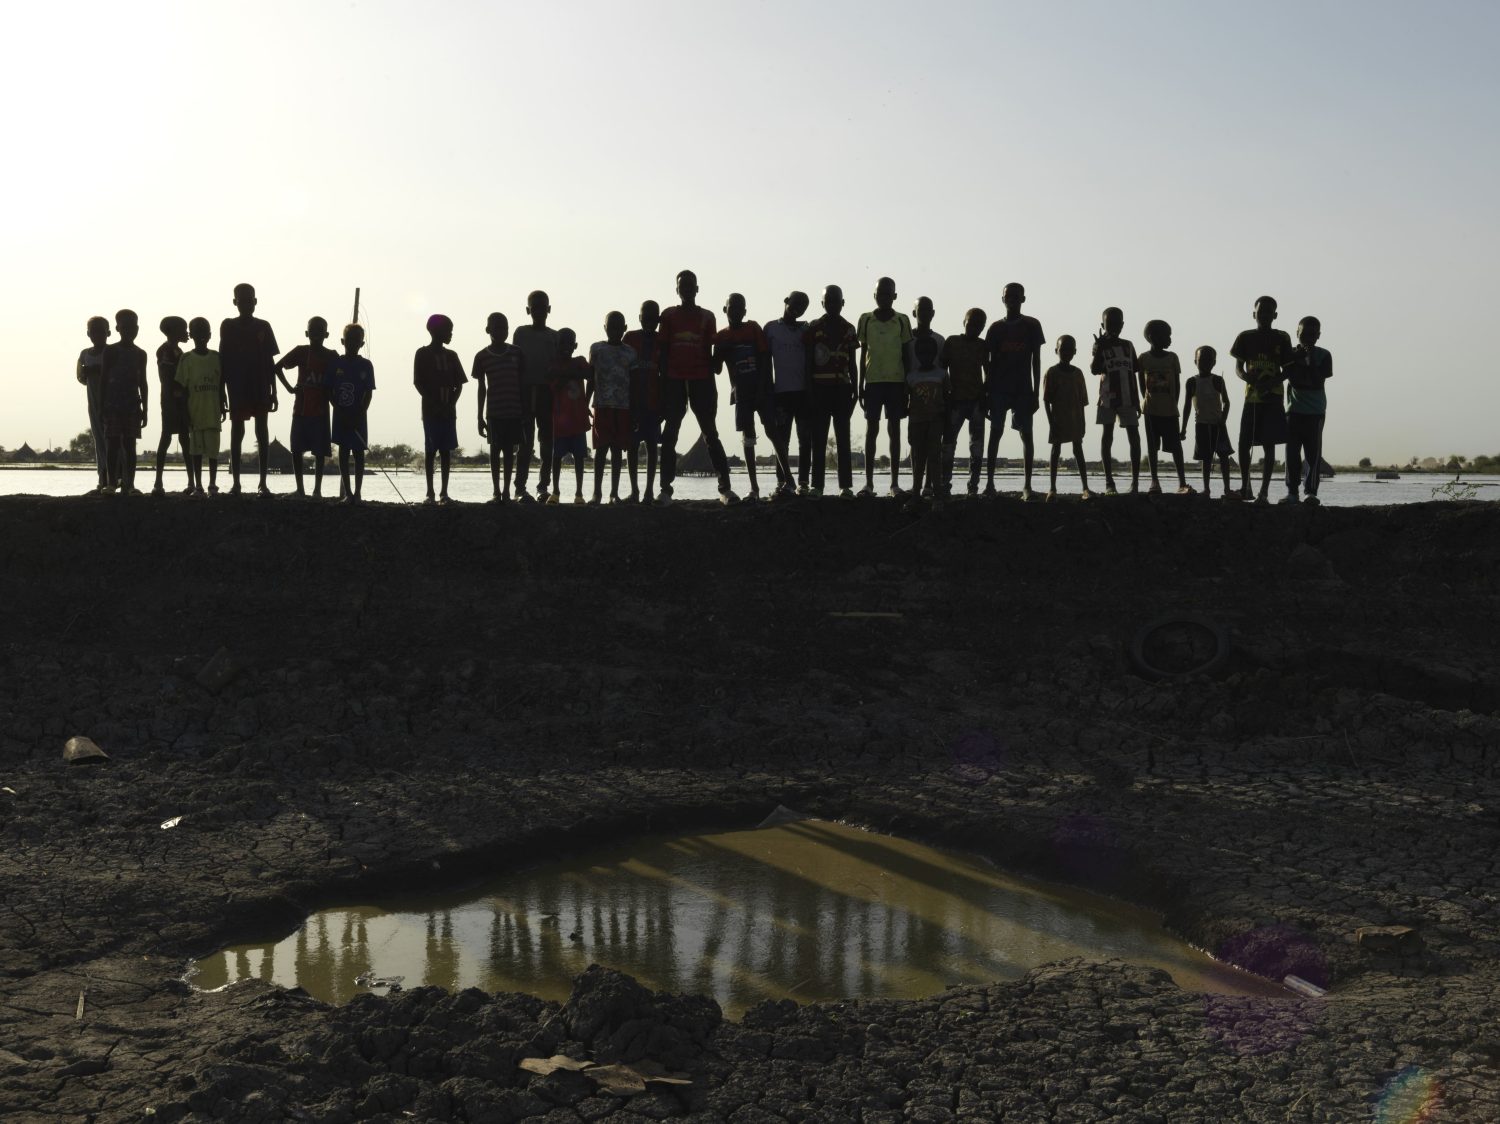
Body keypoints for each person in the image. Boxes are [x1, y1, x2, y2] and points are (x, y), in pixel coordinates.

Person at [658, 270, 735, 504]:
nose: (687, 290)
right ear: (677, 290)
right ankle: (665, 489)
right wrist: (663, 384)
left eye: (691, 286)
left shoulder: (708, 317)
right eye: (683, 286)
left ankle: (725, 488)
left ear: (697, 289)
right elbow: (662, 352)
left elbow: (715, 357)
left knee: (710, 433)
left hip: (702, 379)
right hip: (674, 379)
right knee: (670, 433)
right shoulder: (668, 316)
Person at [983, 282, 1046, 499]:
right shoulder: (995, 329)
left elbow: (1036, 361)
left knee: (1026, 435)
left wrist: (1036, 393)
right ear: (1003, 300)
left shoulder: (1032, 325)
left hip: (1023, 389)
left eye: (1016, 296)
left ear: (1023, 299)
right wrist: (987, 393)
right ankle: (989, 483)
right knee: (995, 433)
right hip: (999, 389)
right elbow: (988, 364)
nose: (1012, 300)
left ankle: (1027, 485)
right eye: (1008, 296)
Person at [1230, 295, 1293, 504]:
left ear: (1275, 315)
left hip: (1273, 397)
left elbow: (1289, 369)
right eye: (1261, 311)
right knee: (1244, 441)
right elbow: (1238, 368)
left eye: (1269, 312)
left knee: (1269, 442)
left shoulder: (1282, 337)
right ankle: (1245, 485)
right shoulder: (1245, 337)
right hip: (1252, 397)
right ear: (1254, 314)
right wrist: (1249, 379)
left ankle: (1264, 492)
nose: (1264, 315)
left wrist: (1272, 381)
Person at [219, 282, 280, 496]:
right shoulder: (227, 325)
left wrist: (274, 390)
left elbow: (271, 361)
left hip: (260, 385)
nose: (246, 304)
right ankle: (236, 483)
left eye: (249, 300)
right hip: (237, 386)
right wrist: (220, 392)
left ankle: (263, 483)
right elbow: (222, 360)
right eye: (241, 300)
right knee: (237, 432)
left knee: (262, 432)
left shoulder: (264, 326)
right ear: (235, 302)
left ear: (255, 301)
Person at [855, 277, 912, 496]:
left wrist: (907, 385)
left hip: (896, 382)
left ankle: (894, 484)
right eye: (880, 294)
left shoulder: (902, 320)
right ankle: (868, 484)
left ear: (894, 296)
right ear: (875, 296)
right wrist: (860, 385)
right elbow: (862, 355)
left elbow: (907, 354)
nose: (884, 298)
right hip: (873, 382)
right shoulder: (866, 320)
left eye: (888, 294)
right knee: (872, 430)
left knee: (894, 431)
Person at [714, 294, 772, 501]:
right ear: (725, 310)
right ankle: (754, 488)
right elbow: (716, 368)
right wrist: (717, 351)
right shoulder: (721, 337)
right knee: (748, 438)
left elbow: (765, 359)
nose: (736, 312)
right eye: (732, 308)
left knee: (772, 432)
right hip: (740, 393)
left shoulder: (753, 328)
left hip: (760, 391)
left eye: (740, 309)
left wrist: (763, 389)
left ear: (745, 312)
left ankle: (788, 481)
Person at [805, 284, 859, 497]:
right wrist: (808, 390)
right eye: (828, 301)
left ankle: (845, 487)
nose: (833, 305)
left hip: (843, 390)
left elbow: (853, 363)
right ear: (823, 304)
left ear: (843, 303)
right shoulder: (814, 327)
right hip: (819, 389)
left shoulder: (849, 328)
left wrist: (856, 390)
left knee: (843, 439)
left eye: (836, 301)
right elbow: (808, 362)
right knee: (818, 439)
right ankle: (817, 486)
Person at [274, 317, 337, 499]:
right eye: (313, 330)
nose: (316, 334)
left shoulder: (331, 356)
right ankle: (300, 489)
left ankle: (317, 490)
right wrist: (289, 388)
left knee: (319, 452)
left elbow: (341, 376)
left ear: (326, 334)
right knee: (297, 449)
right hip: (301, 409)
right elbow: (278, 367)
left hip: (321, 411)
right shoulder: (301, 352)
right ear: (307, 333)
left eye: (320, 330)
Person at [414, 314, 467, 505]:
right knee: (430, 451)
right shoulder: (422, 354)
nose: (451, 334)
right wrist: (435, 404)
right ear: (435, 331)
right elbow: (418, 383)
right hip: (430, 412)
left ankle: (444, 492)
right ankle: (430, 492)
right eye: (448, 330)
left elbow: (459, 385)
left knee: (446, 451)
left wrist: (450, 404)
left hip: (448, 412)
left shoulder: (452, 356)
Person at [764, 291, 812, 499]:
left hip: (803, 393)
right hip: (781, 393)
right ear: (786, 301)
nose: (798, 309)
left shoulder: (806, 329)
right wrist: (768, 392)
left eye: (802, 307)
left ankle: (802, 483)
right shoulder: (771, 329)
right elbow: (765, 364)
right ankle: (782, 482)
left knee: (805, 440)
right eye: (795, 304)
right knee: (781, 441)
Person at [473, 312, 526, 502]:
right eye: (497, 328)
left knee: (510, 452)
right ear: (488, 330)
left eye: (505, 328)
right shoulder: (482, 356)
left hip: (514, 411)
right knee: (495, 452)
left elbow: (522, 383)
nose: (502, 331)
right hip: (494, 413)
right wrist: (479, 416)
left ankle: (506, 491)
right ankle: (496, 491)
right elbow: (481, 388)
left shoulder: (517, 353)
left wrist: (524, 411)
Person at [1282, 316, 1333, 506]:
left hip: (1315, 412)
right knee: (1291, 454)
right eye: (1304, 334)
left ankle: (1311, 492)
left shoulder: (1324, 355)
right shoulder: (1290, 354)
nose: (1308, 338)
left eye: (1313, 334)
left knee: (1313, 454)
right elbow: (1294, 380)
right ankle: (1292, 492)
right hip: (1293, 411)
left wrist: (1307, 361)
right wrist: (1299, 360)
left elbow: (1317, 381)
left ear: (1318, 336)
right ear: (1297, 333)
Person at [1090, 306, 1141, 495]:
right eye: (1108, 324)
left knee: (1134, 437)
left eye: (1116, 323)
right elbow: (1095, 370)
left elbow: (1133, 372)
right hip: (1107, 397)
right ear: (1102, 325)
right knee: (1107, 436)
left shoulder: (1128, 345)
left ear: (1122, 325)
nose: (1113, 327)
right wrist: (1099, 350)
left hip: (1128, 397)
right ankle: (1109, 482)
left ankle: (1135, 483)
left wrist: (1137, 400)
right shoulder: (1099, 346)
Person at [514, 290, 560, 502]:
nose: (539, 312)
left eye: (543, 308)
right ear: (528, 310)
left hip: (546, 392)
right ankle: (520, 488)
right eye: (535, 308)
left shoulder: (554, 336)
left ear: (549, 309)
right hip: (524, 391)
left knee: (547, 442)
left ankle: (543, 487)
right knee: (525, 442)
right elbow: (515, 363)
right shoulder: (520, 333)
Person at [1138, 320, 1193, 495]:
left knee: (1176, 447)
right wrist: (1146, 401)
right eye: (1166, 335)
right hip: (1150, 410)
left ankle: (1182, 482)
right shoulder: (1144, 358)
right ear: (1153, 337)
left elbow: (1177, 383)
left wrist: (1173, 404)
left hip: (1169, 411)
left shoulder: (1172, 358)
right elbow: (1141, 384)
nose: (1169, 339)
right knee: (1152, 447)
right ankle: (1154, 481)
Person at [175, 317, 226, 497]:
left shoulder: (216, 358)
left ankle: (212, 485)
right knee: (196, 453)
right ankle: (198, 486)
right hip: (194, 413)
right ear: (192, 335)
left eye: (204, 333)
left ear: (210, 335)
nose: (201, 337)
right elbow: (180, 389)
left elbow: (221, 384)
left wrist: (222, 402)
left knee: (213, 453)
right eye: (197, 333)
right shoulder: (186, 359)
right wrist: (184, 413)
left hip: (212, 413)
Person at [325, 323, 375, 504]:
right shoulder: (335, 364)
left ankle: (358, 492)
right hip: (340, 416)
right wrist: (339, 411)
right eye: (349, 341)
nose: (353, 344)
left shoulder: (366, 365)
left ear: (361, 344)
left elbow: (369, 393)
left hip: (359, 416)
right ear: (342, 341)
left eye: (357, 341)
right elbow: (329, 391)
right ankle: (348, 493)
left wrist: (360, 414)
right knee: (344, 452)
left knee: (359, 453)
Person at [101, 309, 149, 495]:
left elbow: (143, 382)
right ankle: (111, 483)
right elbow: (104, 379)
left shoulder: (140, 354)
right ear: (118, 328)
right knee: (112, 444)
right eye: (126, 327)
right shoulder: (111, 351)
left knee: (130, 445)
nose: (130, 330)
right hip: (112, 405)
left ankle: (129, 484)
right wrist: (101, 407)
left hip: (132, 406)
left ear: (137, 329)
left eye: (133, 327)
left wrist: (145, 408)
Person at [589, 311, 636, 504]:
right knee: (600, 451)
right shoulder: (597, 349)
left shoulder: (630, 352)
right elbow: (590, 379)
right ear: (605, 328)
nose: (615, 331)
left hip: (623, 407)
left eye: (619, 327)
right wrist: (585, 403)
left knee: (617, 451)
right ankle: (596, 493)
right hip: (602, 406)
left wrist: (634, 410)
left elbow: (633, 382)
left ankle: (613, 493)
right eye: (611, 327)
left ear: (625, 328)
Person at [942, 308, 988, 496]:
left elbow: (988, 372)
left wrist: (985, 396)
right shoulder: (952, 342)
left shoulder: (982, 346)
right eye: (971, 322)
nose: (974, 327)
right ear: (964, 322)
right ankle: (945, 484)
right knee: (948, 445)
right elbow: (942, 370)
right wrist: (947, 395)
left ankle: (973, 486)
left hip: (976, 402)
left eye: (979, 325)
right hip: (955, 402)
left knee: (976, 448)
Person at [1042, 335, 1092, 501]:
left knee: (1078, 449)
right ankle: (1052, 488)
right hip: (1058, 418)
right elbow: (1046, 400)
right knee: (1056, 450)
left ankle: (1085, 487)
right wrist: (1051, 423)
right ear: (1056, 351)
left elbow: (1083, 401)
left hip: (1076, 418)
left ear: (1075, 352)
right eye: (1063, 349)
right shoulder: (1052, 372)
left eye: (1070, 350)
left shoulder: (1078, 373)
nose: (1066, 353)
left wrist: (1083, 422)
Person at [623, 301, 663, 504]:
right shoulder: (630, 338)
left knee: (652, 446)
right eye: (645, 317)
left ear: (658, 320)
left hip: (654, 402)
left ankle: (648, 491)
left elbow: (665, 373)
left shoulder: (661, 340)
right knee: (632, 446)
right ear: (639, 318)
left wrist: (663, 406)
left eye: (653, 318)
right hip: (632, 403)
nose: (649, 321)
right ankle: (635, 491)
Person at [1181, 345, 1233, 497]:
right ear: (1195, 361)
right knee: (1206, 458)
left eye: (1209, 360)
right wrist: (1183, 429)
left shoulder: (1218, 380)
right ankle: (1206, 488)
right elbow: (1186, 406)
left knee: (1224, 456)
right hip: (1202, 425)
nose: (1205, 363)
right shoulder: (1191, 382)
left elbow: (1227, 402)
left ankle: (1227, 489)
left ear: (1214, 362)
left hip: (1218, 424)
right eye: (1201, 360)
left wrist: (1223, 419)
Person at [904, 334, 948, 513]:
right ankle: (916, 495)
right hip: (916, 422)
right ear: (916, 354)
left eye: (930, 352)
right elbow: (905, 400)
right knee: (918, 459)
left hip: (935, 422)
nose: (925, 355)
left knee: (935, 459)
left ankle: (937, 496)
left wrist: (947, 423)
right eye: (921, 352)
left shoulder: (942, 374)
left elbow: (947, 399)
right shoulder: (911, 377)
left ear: (935, 353)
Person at [909, 297, 946, 497]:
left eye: (927, 310)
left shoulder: (939, 341)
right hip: (916, 407)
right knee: (917, 450)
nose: (923, 314)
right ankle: (916, 489)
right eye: (919, 310)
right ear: (914, 313)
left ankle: (929, 486)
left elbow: (943, 373)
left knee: (934, 450)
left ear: (933, 313)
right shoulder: (907, 340)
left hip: (935, 409)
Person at [549, 329, 591, 504]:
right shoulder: (553, 365)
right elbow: (554, 386)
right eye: (562, 344)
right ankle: (556, 491)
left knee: (579, 457)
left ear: (575, 346)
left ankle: (579, 493)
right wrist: (571, 374)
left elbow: (591, 375)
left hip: (578, 419)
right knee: (557, 457)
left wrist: (586, 402)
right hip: (559, 421)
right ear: (556, 346)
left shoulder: (580, 362)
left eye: (569, 343)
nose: (566, 347)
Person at [152, 316, 190, 495]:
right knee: (166, 439)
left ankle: (191, 482)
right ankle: (158, 482)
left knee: (185, 440)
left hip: (182, 400)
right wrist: (171, 400)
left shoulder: (179, 351)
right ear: (174, 331)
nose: (187, 333)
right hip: (170, 400)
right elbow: (167, 377)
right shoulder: (165, 351)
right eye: (183, 329)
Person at [75, 316, 112, 491]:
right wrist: (89, 372)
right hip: (94, 403)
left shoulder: (113, 352)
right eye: (94, 331)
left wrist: (99, 370)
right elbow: (81, 377)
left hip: (112, 402)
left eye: (101, 331)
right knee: (99, 440)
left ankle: (117, 477)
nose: (97, 334)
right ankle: (102, 477)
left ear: (108, 333)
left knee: (113, 440)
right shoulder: (85, 354)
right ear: (88, 333)